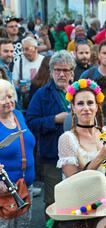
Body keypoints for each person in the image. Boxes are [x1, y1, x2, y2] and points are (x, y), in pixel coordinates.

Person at [26, 51, 76, 212]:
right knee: (53, 201)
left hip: (78, 154)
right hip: (52, 156)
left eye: (66, 70)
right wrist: (54, 119)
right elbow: (31, 121)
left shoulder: (79, 92)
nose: (61, 74)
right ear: (51, 71)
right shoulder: (42, 94)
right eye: (57, 70)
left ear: (72, 72)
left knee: (76, 197)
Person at [0, 79, 35, 228]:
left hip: (24, 183)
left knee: (23, 222)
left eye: (10, 95)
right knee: (4, 227)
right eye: (3, 97)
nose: (9, 100)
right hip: (5, 185)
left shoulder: (18, 115)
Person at [58, 78, 106, 183]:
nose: (86, 108)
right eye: (80, 103)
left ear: (97, 106)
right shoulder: (67, 139)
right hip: (81, 199)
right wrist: (100, 157)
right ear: (73, 108)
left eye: (90, 103)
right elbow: (74, 181)